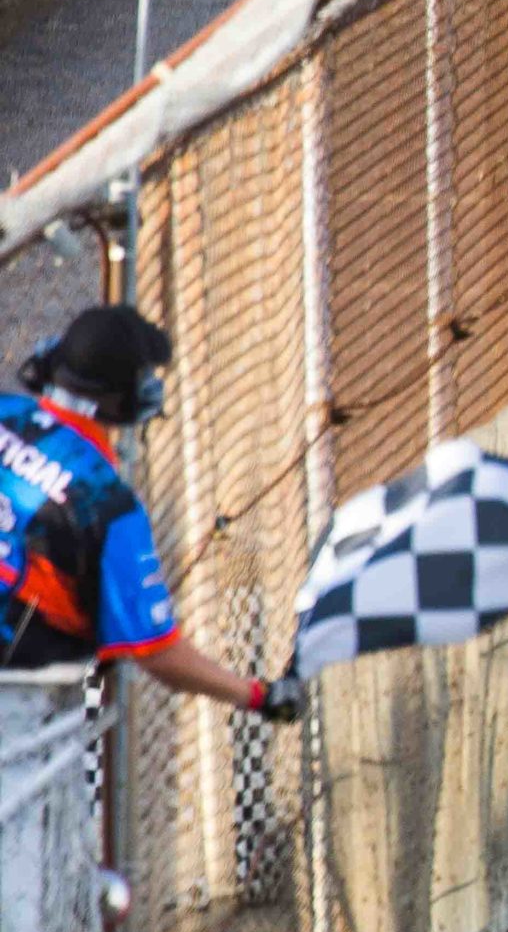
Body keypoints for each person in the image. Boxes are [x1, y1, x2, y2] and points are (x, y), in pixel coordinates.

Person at [1, 305, 301, 720]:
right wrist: (257, 695)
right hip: (20, 705)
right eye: (143, 377)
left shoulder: (6, 411)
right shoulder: (106, 504)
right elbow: (158, 653)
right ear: (118, 399)